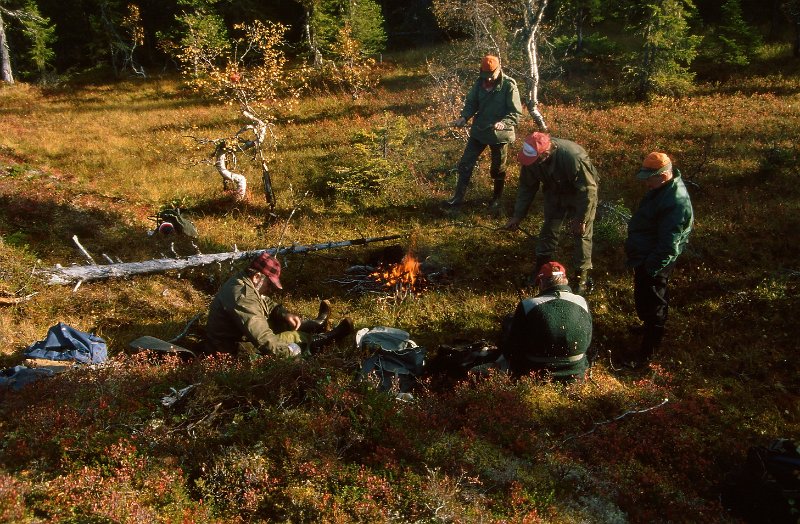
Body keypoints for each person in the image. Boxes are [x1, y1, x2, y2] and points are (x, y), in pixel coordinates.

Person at [204, 253, 353, 358]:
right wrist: (290, 352)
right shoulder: (243, 297)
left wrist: (283, 313)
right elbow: (264, 340)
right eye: (269, 284)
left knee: (281, 321)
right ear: (257, 277)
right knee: (293, 337)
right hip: (233, 352)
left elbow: (263, 301)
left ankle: (316, 324)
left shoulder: (244, 281)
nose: (270, 289)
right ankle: (328, 338)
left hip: (239, 338)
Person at [503, 132, 599, 295]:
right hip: (554, 193)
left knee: (582, 234)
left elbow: (588, 190)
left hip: (580, 194)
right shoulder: (531, 159)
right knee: (549, 229)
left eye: (535, 160)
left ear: (546, 153)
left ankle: (580, 277)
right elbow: (527, 187)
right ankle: (541, 268)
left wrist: (581, 219)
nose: (532, 164)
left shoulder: (572, 157)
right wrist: (518, 215)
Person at [624, 152, 694, 368]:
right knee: (644, 294)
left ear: (663, 175)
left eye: (649, 178)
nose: (646, 182)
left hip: (656, 260)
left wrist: (651, 268)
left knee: (655, 301)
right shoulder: (662, 189)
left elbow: (668, 245)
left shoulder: (675, 202)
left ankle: (646, 354)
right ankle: (646, 325)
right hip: (646, 255)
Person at [445, 54, 523, 210]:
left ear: (498, 70)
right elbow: (472, 102)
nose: (488, 80)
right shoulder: (479, 83)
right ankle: (457, 198)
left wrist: (504, 123)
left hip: (499, 135)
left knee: (497, 169)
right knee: (465, 164)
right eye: (485, 76)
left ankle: (496, 199)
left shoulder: (509, 86)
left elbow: (516, 112)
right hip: (479, 131)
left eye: (491, 76)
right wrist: (464, 117)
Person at [500, 261, 593, 381]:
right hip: (576, 374)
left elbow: (513, 348)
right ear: (565, 280)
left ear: (542, 282)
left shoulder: (527, 305)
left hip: (536, 373)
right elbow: (588, 341)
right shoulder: (582, 302)